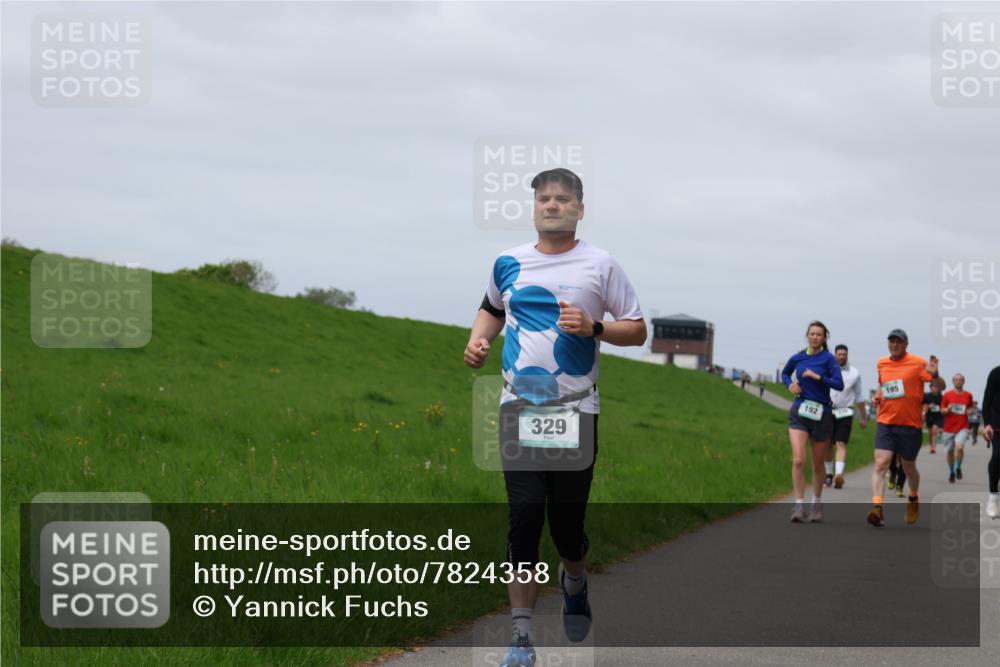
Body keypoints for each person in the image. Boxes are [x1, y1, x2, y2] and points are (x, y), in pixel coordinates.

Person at [464, 168, 646, 667]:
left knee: (566, 527)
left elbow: (638, 330)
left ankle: (575, 582)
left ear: (580, 209)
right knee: (524, 517)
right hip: (517, 405)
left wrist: (596, 327)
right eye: (544, 199)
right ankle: (521, 639)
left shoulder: (600, 264)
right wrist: (478, 340)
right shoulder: (509, 262)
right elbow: (491, 309)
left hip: (575, 408)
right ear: (533, 207)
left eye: (563, 200)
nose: (552, 205)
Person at [866, 332, 938, 527]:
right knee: (881, 463)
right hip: (886, 422)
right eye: (892, 341)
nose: (895, 344)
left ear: (907, 344)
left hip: (910, 425)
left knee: (908, 467)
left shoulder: (917, 363)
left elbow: (936, 384)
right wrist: (878, 398)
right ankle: (877, 508)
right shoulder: (882, 363)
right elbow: (883, 386)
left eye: (899, 341)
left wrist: (935, 373)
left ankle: (913, 497)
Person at [780, 321, 844, 522]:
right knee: (798, 459)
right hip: (799, 411)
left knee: (818, 464)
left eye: (819, 334)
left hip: (822, 414)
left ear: (825, 338)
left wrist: (819, 377)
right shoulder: (798, 357)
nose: (815, 337)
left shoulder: (829, 359)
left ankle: (816, 502)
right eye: (812, 334)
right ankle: (799, 505)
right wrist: (790, 385)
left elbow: (839, 384)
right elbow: (784, 373)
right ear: (807, 336)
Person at [825, 344, 868, 489]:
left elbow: (860, 396)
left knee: (841, 443)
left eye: (844, 354)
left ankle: (839, 475)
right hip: (828, 411)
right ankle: (829, 475)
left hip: (845, 412)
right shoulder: (827, 369)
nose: (842, 357)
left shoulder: (854, 373)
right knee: (826, 444)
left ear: (847, 355)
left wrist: (863, 417)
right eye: (839, 354)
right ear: (835, 355)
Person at [942, 374, 974, 483]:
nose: (958, 381)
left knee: (959, 447)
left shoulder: (968, 395)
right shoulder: (947, 395)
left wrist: (970, 411)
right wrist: (948, 409)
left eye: (960, 380)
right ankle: (951, 471)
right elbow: (942, 410)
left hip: (963, 426)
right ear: (953, 382)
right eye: (956, 380)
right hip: (949, 427)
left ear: (963, 381)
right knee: (950, 452)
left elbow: (970, 407)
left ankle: (958, 467)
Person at [982, 366, 999, 519]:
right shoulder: (996, 373)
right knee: (998, 456)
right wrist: (987, 424)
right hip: (998, 425)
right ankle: (993, 497)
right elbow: (987, 401)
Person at [923, 378, 945, 454]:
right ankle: (931, 446)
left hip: (938, 416)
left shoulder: (942, 397)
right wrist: (928, 406)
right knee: (930, 433)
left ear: (938, 389)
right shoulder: (926, 396)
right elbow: (923, 405)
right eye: (932, 387)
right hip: (929, 416)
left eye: (935, 387)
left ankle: (934, 447)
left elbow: (944, 406)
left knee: (934, 430)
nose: (933, 389)